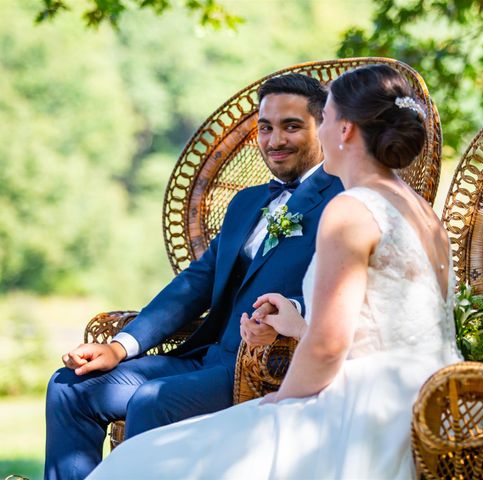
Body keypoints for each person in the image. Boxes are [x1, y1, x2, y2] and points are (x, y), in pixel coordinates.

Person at [88, 64, 463, 480]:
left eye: (327, 120)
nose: (320, 134)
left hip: (361, 408)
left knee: (141, 461)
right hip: (430, 401)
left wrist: (285, 398)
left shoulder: (349, 210)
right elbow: (380, 329)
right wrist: (297, 322)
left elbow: (329, 345)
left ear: (345, 131)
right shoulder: (422, 214)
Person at [44, 73, 343, 480]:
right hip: (203, 358)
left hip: (265, 369)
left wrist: (294, 315)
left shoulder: (343, 201)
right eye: (266, 127)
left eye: (292, 126)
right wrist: (119, 347)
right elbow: (194, 285)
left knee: (152, 400)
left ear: (321, 129)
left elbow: (347, 291)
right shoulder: (246, 202)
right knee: (69, 387)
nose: (275, 141)